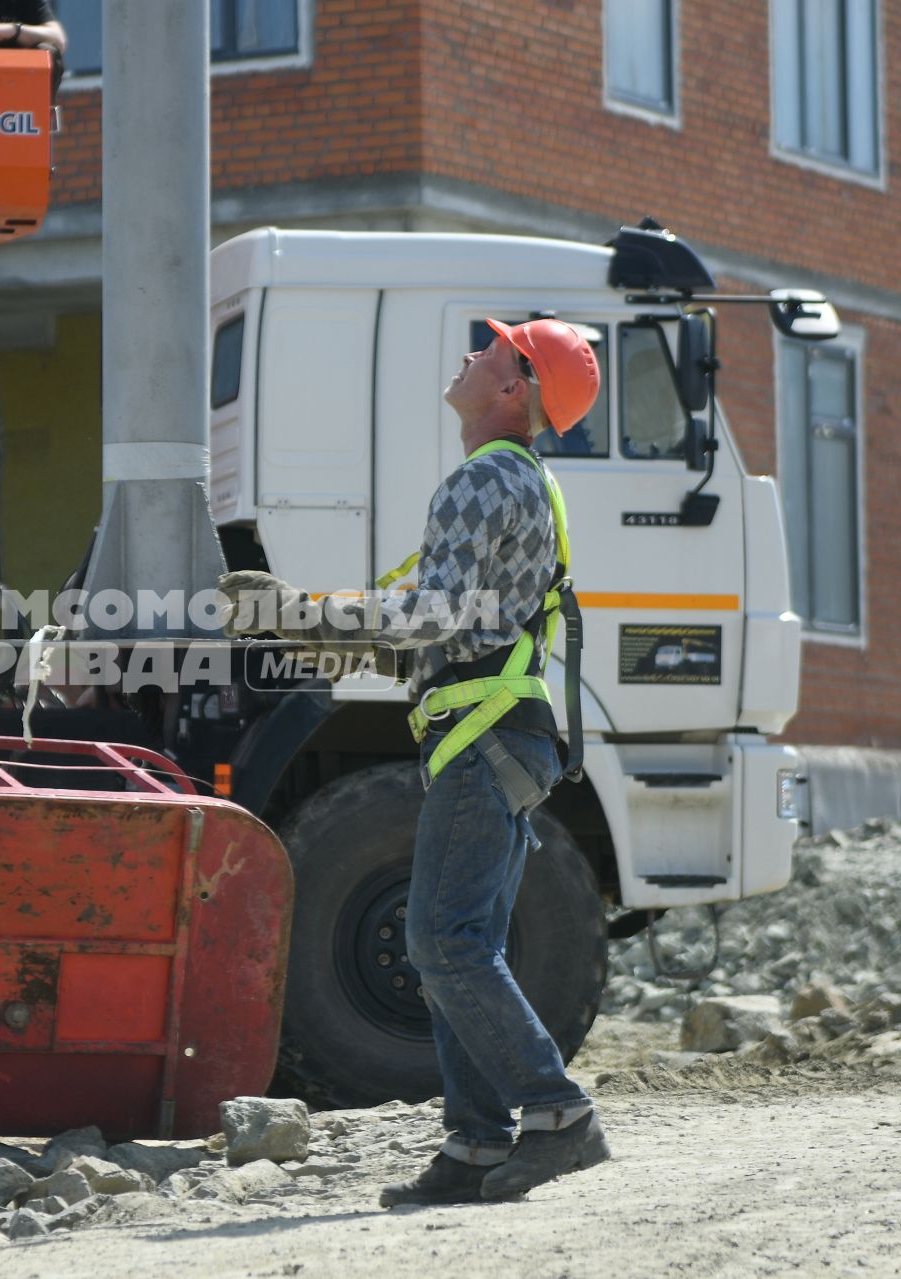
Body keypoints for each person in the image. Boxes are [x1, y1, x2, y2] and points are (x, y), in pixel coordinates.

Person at [216, 319, 608, 1206]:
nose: (472, 353)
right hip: (503, 733)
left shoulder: (480, 479)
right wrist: (322, 625)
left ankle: (558, 1114)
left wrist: (301, 616)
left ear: (516, 387)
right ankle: (474, 1143)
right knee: (461, 942)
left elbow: (428, 617)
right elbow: (456, 625)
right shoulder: (526, 481)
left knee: (441, 941)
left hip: (484, 737)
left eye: (492, 350)